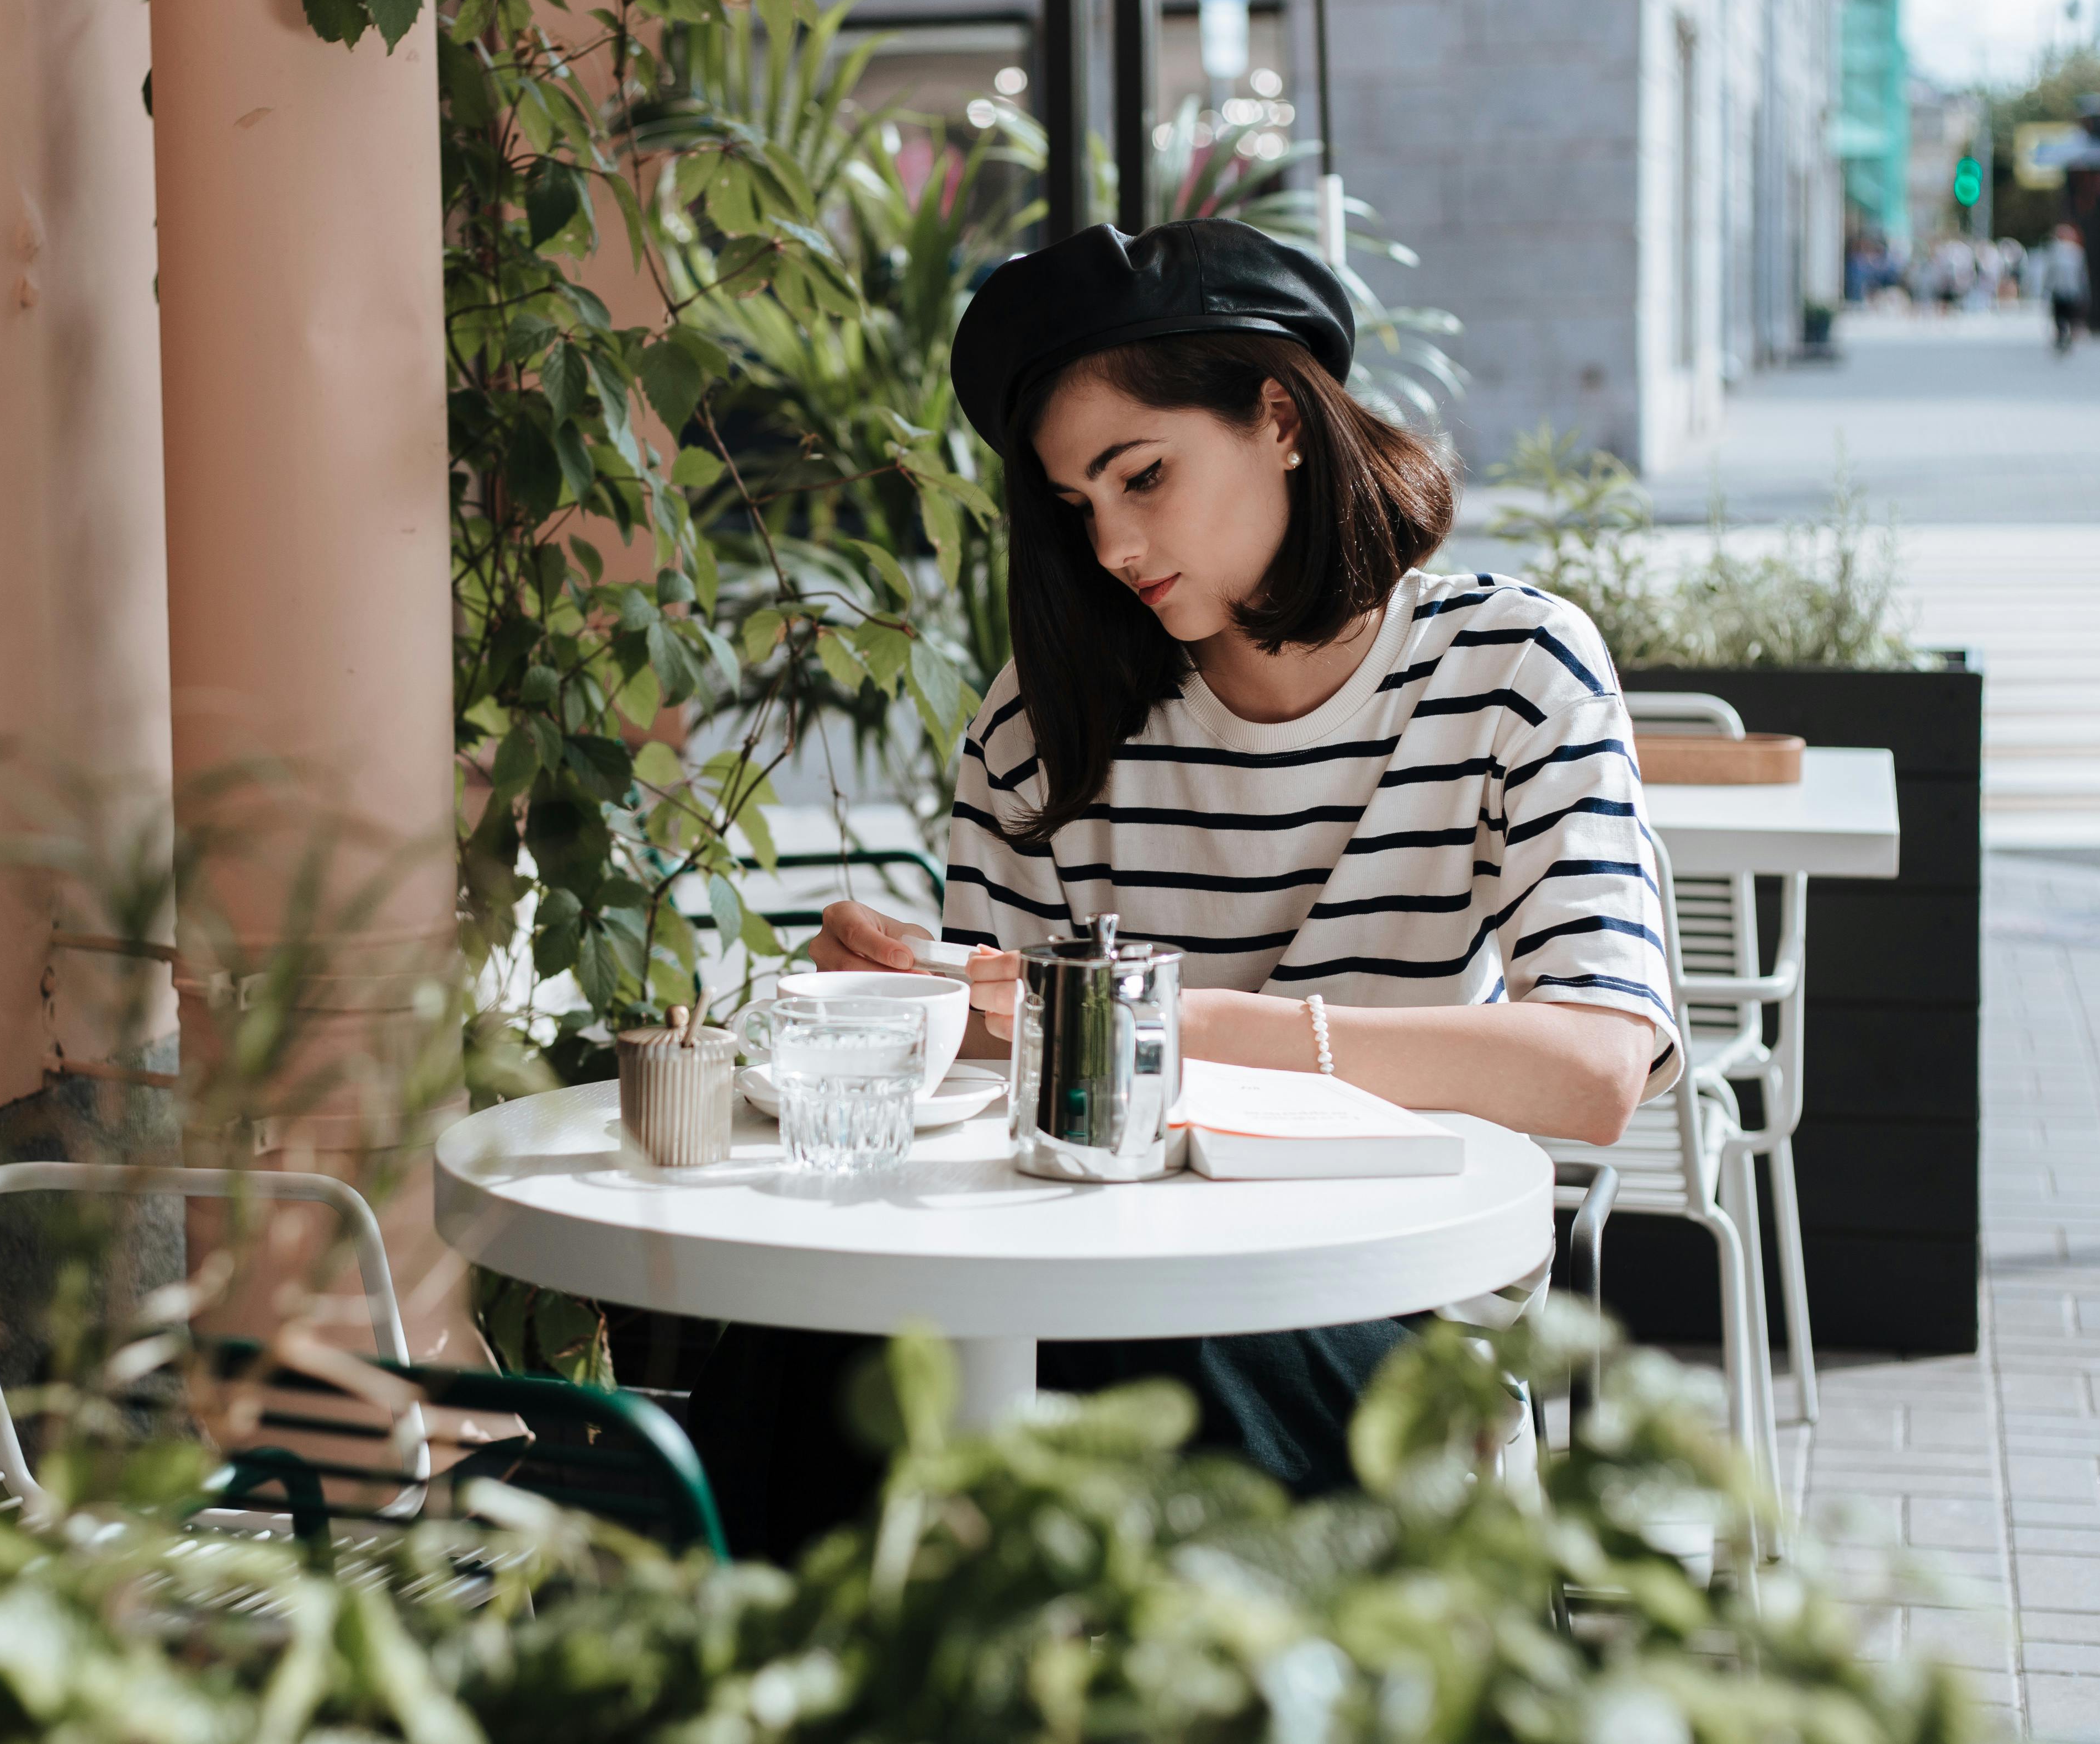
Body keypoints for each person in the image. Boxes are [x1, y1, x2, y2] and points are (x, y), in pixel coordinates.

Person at [683, 220, 1681, 1560]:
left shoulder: (1510, 668)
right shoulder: (1038, 728)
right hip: (1073, 1284)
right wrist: (925, 998)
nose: (1110, 543)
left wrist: (1192, 1031)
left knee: (1082, 1391)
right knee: (800, 1354)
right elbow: (1008, 1084)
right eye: (1075, 505)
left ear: (1278, 417)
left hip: (1374, 1314)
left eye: (1141, 475)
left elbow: (1597, 1063)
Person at [2045, 221, 2090, 354]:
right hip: (2064, 290)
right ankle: (2063, 337)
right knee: (2062, 316)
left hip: (2067, 290)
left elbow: (2081, 274)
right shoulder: (2059, 251)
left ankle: (2065, 338)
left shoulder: (2075, 252)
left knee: (2065, 316)